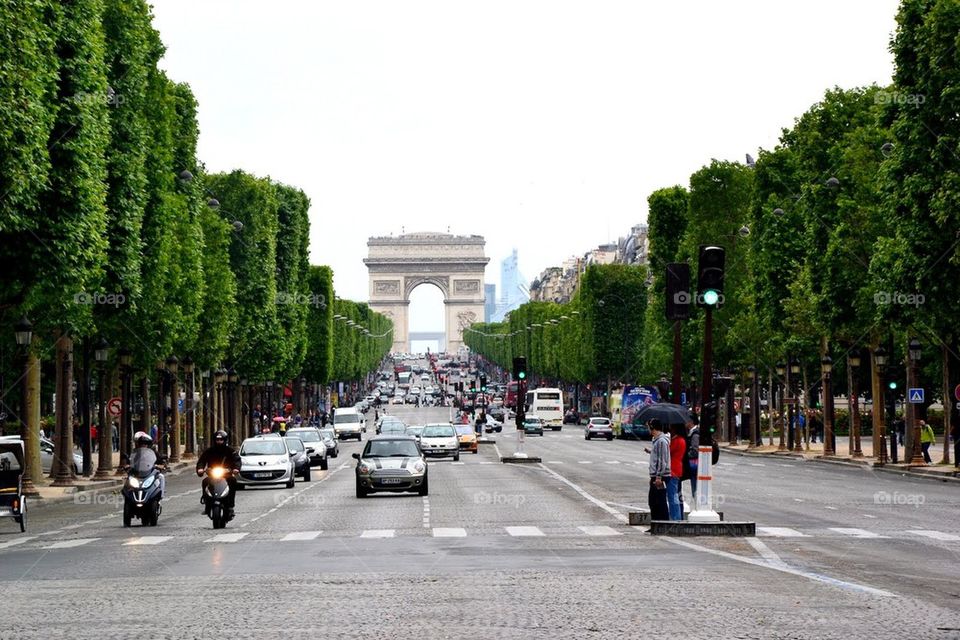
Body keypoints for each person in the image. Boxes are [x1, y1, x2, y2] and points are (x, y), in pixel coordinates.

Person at [195, 430, 242, 517]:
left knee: (232, 481)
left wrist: (236, 468)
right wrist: (200, 469)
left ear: (225, 440)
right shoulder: (209, 451)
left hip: (226, 475)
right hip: (213, 475)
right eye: (217, 440)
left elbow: (237, 460)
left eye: (221, 440)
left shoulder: (230, 451)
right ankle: (207, 504)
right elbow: (201, 461)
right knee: (205, 481)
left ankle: (231, 506)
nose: (219, 441)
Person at [128, 431, 166, 499]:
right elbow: (130, 461)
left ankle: (161, 495)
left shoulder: (153, 452)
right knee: (128, 479)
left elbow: (161, 461)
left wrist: (161, 465)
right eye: (141, 443)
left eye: (145, 443)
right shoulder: (135, 452)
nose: (143, 445)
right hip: (137, 473)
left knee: (161, 477)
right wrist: (128, 465)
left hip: (150, 473)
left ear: (148, 444)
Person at [647, 419, 670, 522]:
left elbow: (662, 460)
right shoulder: (656, 440)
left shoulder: (661, 441)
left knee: (658, 501)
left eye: (649, 427)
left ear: (653, 428)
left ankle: (661, 522)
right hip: (655, 475)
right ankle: (656, 522)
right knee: (653, 501)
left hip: (660, 476)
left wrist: (658, 476)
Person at [668, 423, 686, 521]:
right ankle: (676, 517)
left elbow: (668, 452)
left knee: (673, 496)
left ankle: (675, 518)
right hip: (677, 468)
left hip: (673, 469)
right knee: (675, 495)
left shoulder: (676, 441)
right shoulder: (681, 440)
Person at [683, 415, 700, 503]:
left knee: (695, 485)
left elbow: (695, 451)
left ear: (691, 422)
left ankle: (697, 501)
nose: (685, 423)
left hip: (694, 464)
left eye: (686, 421)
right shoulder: (692, 432)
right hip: (695, 464)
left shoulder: (695, 434)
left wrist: (686, 456)